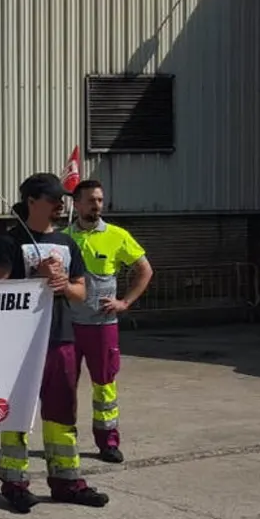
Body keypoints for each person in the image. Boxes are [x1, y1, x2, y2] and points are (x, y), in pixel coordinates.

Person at [0, 173, 111, 513]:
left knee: (62, 412)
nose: (60, 205)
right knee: (18, 413)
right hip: (19, 344)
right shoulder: (9, 242)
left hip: (61, 337)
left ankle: (67, 481)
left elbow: (81, 292)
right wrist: (33, 277)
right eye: (54, 199)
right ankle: (15, 483)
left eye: (62, 199)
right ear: (32, 202)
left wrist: (62, 284)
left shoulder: (68, 244)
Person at [65, 180, 153, 463]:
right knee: (65, 386)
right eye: (91, 200)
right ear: (76, 204)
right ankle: (64, 441)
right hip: (67, 327)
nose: (97, 205)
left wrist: (124, 302)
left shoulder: (117, 235)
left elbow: (145, 270)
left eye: (100, 200)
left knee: (105, 386)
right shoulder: (63, 238)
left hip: (102, 327)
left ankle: (108, 442)